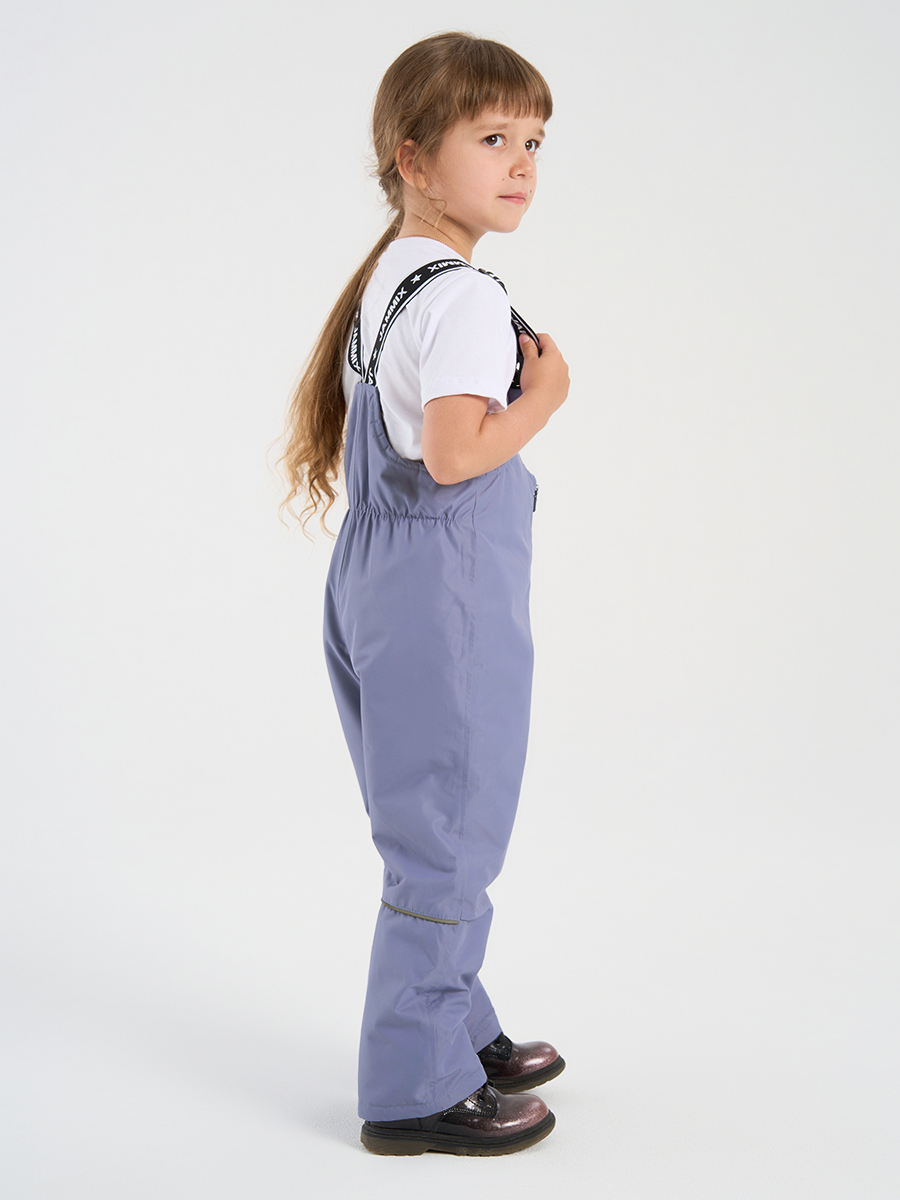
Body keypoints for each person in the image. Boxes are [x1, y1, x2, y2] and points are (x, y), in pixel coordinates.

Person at [281, 32, 570, 1156]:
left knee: (427, 828)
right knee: (448, 836)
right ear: (412, 157)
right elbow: (454, 457)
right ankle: (413, 1088)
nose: (522, 163)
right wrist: (545, 396)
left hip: (376, 580)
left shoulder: (392, 278)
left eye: (534, 141)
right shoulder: (463, 298)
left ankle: (457, 1024)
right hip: (442, 594)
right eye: (492, 138)